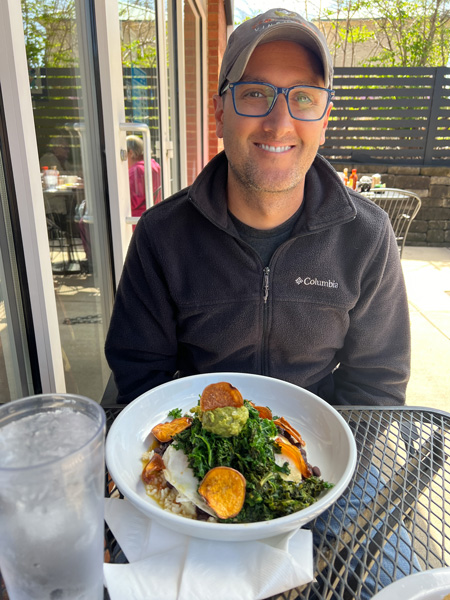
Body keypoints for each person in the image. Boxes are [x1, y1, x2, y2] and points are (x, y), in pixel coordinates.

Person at [105, 8, 410, 409]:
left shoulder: (367, 236)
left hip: (320, 449)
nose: (279, 123)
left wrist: (334, 465)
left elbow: (377, 386)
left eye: (303, 97)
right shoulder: (162, 236)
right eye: (254, 93)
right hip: (197, 446)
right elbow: (140, 380)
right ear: (219, 113)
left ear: (324, 121)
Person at [127, 135, 162, 225]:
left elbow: (129, 202)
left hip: (136, 223)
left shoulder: (136, 171)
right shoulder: (154, 165)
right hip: (153, 216)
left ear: (130, 153)